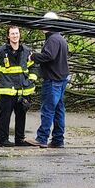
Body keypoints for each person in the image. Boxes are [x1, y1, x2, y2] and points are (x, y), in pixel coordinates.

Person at [0, 26, 37, 147]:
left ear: (20, 35)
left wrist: (31, 80)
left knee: (21, 116)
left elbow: (35, 66)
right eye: (12, 34)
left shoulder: (26, 51)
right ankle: (3, 140)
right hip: (7, 89)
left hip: (22, 90)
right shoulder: (1, 51)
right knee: (5, 116)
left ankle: (19, 139)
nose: (15, 36)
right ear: (8, 36)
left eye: (17, 33)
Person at [28, 12, 70, 148]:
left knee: (48, 110)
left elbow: (49, 56)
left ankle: (42, 138)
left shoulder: (52, 39)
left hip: (53, 81)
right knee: (59, 110)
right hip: (61, 79)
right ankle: (58, 139)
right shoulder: (60, 38)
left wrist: (33, 56)